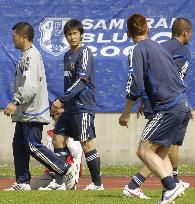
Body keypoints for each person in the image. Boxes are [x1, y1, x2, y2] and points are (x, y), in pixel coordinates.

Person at [119, 13, 191, 203]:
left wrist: (126, 112)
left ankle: (171, 185)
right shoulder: (159, 48)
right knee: (161, 153)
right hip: (182, 105)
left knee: (143, 151)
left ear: (128, 33)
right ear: (148, 29)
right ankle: (169, 197)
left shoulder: (137, 50)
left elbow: (135, 84)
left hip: (168, 107)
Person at [4, 22, 75, 190]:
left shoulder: (32, 57)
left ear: (24, 37)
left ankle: (65, 168)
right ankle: (22, 182)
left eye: (14, 37)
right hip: (25, 113)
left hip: (32, 111)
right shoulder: (24, 55)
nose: (12, 40)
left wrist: (15, 102)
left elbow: (30, 86)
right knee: (19, 146)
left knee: (32, 145)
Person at [44, 19, 103, 190]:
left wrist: (61, 99)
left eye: (75, 33)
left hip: (83, 106)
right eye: (69, 34)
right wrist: (64, 104)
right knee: (58, 139)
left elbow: (82, 81)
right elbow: (68, 83)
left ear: (81, 35)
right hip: (69, 108)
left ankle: (97, 184)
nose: (72, 37)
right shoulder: (67, 55)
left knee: (86, 143)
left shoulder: (85, 52)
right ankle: (60, 182)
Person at [31, 109, 83, 190]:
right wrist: (57, 138)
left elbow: (75, 153)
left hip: (69, 172)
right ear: (53, 117)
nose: (60, 116)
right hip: (51, 172)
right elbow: (50, 153)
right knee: (33, 188)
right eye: (57, 114)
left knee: (59, 190)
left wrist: (66, 137)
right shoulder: (51, 133)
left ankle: (63, 183)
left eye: (62, 114)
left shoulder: (74, 132)